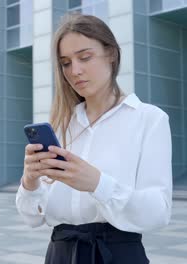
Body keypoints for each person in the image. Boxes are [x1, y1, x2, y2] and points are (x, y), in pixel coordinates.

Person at [16, 13, 172, 264]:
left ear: (111, 54)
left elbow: (158, 212)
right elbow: (33, 218)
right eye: (66, 63)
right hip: (60, 254)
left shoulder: (149, 119)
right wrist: (30, 181)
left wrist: (98, 184)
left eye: (85, 57)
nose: (75, 71)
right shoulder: (63, 124)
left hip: (117, 255)